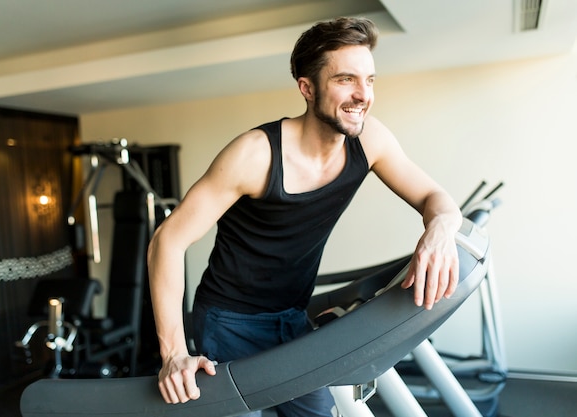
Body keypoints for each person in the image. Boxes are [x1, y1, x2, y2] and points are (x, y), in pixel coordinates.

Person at [147, 16, 462, 417]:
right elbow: (167, 241)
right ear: (307, 88)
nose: (363, 94)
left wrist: (438, 230)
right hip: (229, 320)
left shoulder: (370, 140)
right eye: (346, 79)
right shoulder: (254, 155)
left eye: (370, 80)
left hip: (292, 317)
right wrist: (173, 354)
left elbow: (437, 198)